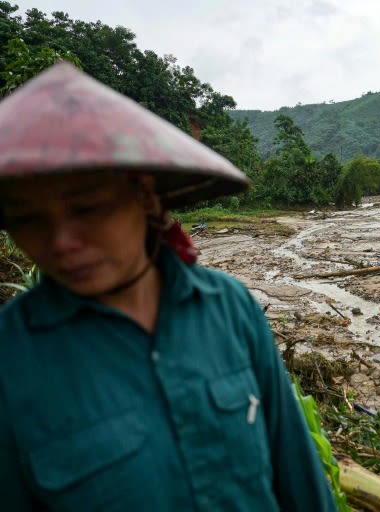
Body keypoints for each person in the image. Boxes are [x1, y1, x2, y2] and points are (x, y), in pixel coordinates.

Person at [0, 62, 337, 511]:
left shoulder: (230, 308)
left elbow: (300, 480)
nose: (61, 243)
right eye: (27, 219)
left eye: (87, 208)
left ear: (144, 195)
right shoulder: (10, 360)